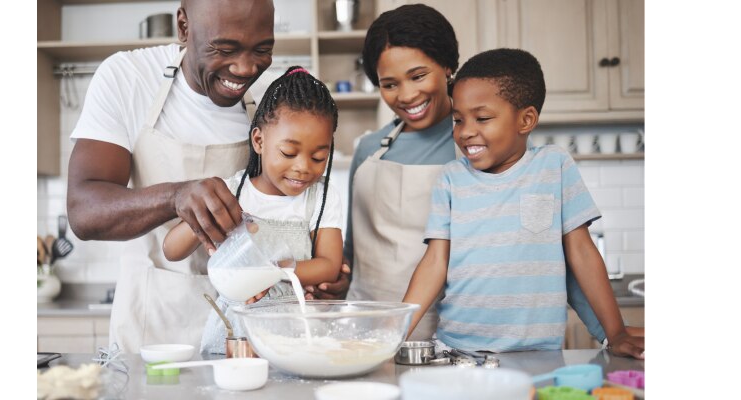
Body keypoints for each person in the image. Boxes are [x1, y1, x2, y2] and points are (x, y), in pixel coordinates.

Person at [311, 4, 612, 345]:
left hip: (453, 341)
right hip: (373, 333)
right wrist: (335, 280)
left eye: (418, 75)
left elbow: (553, 252)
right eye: (389, 84)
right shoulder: (368, 151)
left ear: (447, 68)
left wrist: (608, 332)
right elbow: (352, 250)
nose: (407, 95)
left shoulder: (485, 150)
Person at [66, 0, 280, 353]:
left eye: (262, 49)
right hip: (153, 326)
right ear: (184, 26)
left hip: (247, 330)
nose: (245, 67)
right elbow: (84, 212)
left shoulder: (276, 94)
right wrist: (174, 197)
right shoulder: (128, 78)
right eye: (224, 49)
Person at [402, 48, 645, 359]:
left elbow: (581, 253)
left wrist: (616, 333)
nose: (465, 132)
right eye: (458, 119)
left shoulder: (553, 167)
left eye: (483, 118)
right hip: (457, 350)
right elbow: (435, 262)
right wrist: (395, 335)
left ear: (526, 119)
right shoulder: (451, 179)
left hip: (538, 353)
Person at [161, 66, 344, 355]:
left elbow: (330, 265)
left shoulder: (320, 196)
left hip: (293, 334)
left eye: (319, 157)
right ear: (259, 141)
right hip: (235, 334)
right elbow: (171, 250)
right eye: (288, 153)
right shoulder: (233, 192)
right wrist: (202, 211)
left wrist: (274, 271)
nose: (303, 167)